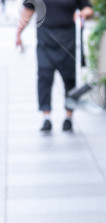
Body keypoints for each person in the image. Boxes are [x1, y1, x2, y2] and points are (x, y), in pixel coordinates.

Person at [16, 0, 94, 132]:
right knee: (44, 76)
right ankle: (46, 117)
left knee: (70, 79)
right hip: (45, 38)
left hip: (69, 38)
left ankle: (68, 117)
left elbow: (88, 9)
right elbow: (28, 10)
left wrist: (82, 13)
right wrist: (18, 33)